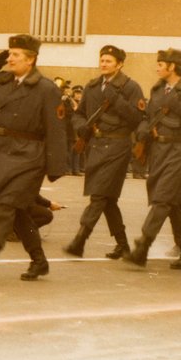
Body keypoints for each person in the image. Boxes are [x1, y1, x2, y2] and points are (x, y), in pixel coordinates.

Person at [0, 35, 66, 284]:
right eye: (9, 53)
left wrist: (54, 167)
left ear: (31, 60)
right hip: (0, 151)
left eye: (15, 55)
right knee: (16, 211)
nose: (10, 58)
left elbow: (55, 128)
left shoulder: (46, 89)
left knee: (7, 206)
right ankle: (39, 261)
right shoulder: (1, 82)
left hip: (29, 156)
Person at [125, 48, 181, 269]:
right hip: (159, 149)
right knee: (174, 203)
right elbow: (149, 117)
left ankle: (142, 246)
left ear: (173, 67)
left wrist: (180, 110)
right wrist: (143, 131)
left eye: (161, 64)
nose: (157, 67)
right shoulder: (158, 89)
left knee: (163, 198)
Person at [63, 45, 145, 260]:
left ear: (119, 64)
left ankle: (80, 239)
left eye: (108, 61)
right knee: (107, 198)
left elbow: (137, 118)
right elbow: (78, 114)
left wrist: (116, 100)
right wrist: (80, 126)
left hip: (118, 146)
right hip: (96, 146)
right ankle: (123, 245)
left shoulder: (130, 87)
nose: (103, 64)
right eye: (102, 60)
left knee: (99, 195)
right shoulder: (91, 87)